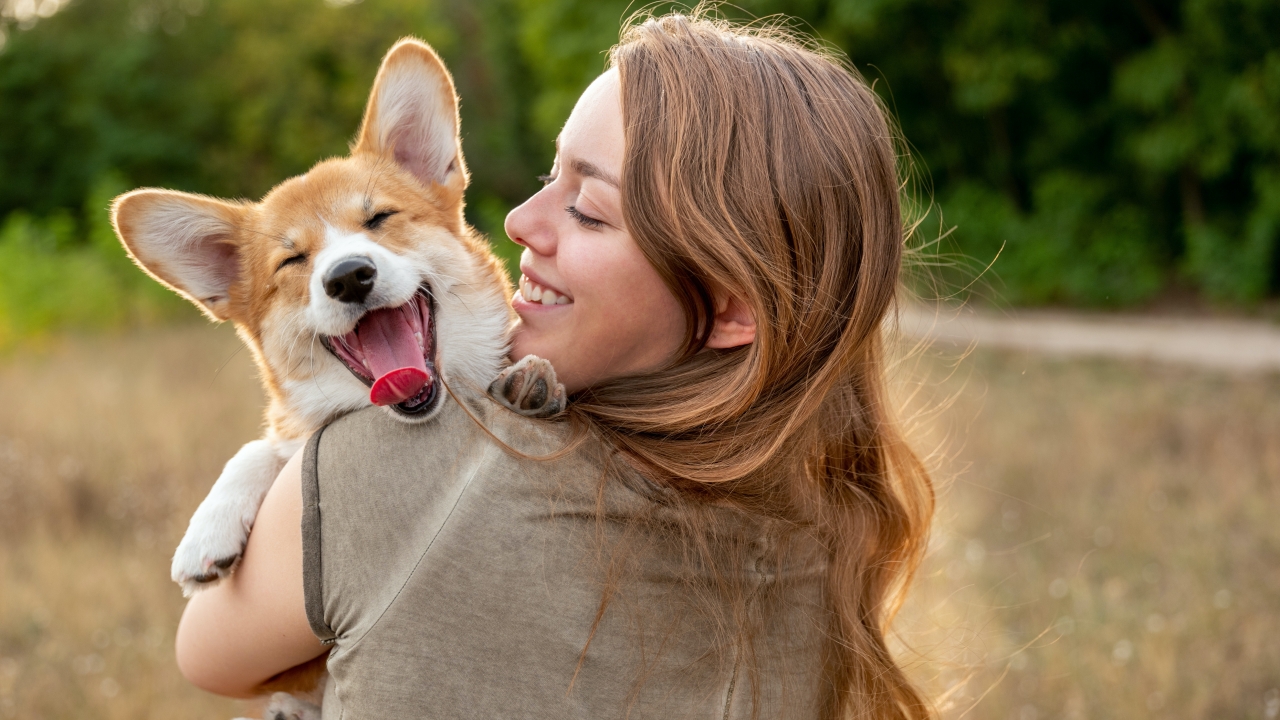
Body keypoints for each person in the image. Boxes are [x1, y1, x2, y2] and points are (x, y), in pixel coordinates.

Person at [174, 12, 934, 720]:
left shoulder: (385, 472)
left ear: (732, 306)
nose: (515, 223)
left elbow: (207, 655)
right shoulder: (827, 535)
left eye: (589, 209)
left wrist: (282, 472)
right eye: (550, 176)